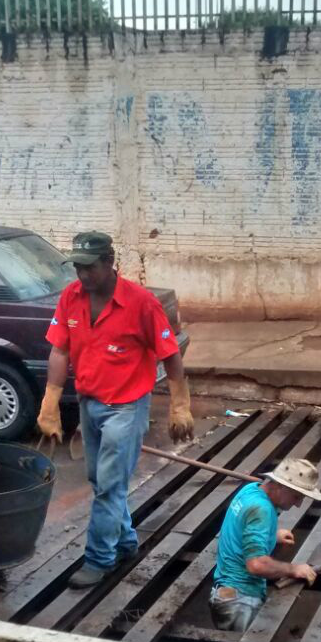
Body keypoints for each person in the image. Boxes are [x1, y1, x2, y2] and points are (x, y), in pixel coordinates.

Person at [36, 230, 195, 589]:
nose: (83, 275)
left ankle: (98, 559)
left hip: (126, 407)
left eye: (90, 267)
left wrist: (180, 405)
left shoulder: (141, 304)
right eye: (78, 267)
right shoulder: (71, 297)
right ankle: (124, 542)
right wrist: (50, 403)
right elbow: (59, 350)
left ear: (111, 264)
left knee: (108, 486)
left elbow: (170, 355)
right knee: (100, 480)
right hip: (89, 402)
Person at [210, 457, 321, 634]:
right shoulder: (261, 510)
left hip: (226, 591)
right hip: (239, 601)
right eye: (296, 496)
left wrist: (271, 536)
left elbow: (243, 524)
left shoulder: (251, 490)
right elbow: (256, 565)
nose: (298, 503)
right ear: (280, 486)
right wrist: (294, 569)